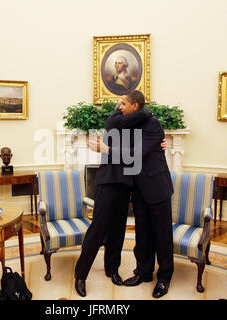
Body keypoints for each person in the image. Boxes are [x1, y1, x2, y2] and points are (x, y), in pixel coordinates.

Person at [95, 90, 174, 298]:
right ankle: (144, 272)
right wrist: (122, 108)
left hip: (157, 187)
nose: (119, 107)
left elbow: (134, 154)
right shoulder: (128, 121)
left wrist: (106, 149)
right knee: (143, 233)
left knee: (162, 235)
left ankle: (164, 278)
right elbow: (112, 121)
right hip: (138, 187)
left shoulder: (153, 125)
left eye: (123, 103)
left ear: (135, 106)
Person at [73, 100, 154, 297]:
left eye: (126, 103)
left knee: (118, 231)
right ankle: (81, 275)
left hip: (126, 185)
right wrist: (125, 107)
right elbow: (143, 114)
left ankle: (112, 269)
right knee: (97, 229)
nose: (123, 107)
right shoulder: (115, 120)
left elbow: (138, 153)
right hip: (108, 182)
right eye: (122, 104)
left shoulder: (138, 127)